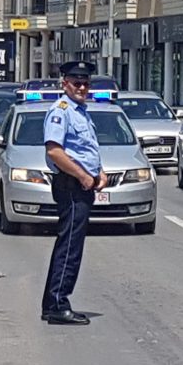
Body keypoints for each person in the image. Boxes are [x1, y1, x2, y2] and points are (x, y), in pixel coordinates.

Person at [41, 61, 108, 325]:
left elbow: (85, 148)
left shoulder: (81, 112)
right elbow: (54, 151)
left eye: (86, 83)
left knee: (70, 243)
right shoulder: (61, 111)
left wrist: (99, 172)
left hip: (82, 183)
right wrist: (82, 175)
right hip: (71, 185)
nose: (82, 87)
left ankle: (52, 302)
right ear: (64, 83)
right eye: (76, 82)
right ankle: (58, 303)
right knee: (69, 245)